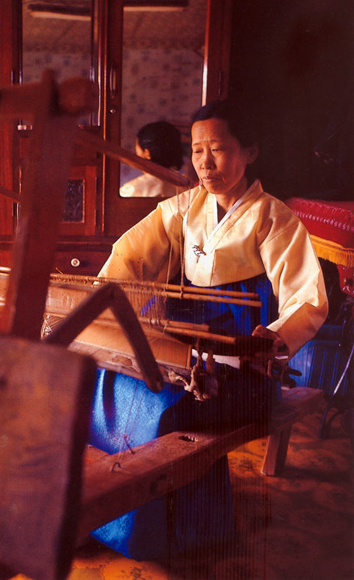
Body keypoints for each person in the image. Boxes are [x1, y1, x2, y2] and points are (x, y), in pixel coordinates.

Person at [89, 99, 329, 559]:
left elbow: (306, 296)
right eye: (197, 150)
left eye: (217, 149)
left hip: (243, 369)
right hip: (185, 353)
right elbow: (129, 256)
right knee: (109, 380)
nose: (205, 162)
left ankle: (182, 534)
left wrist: (274, 338)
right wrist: (97, 303)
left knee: (170, 405)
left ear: (250, 151)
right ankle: (107, 520)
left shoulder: (273, 217)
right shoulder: (182, 210)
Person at [119, 121, 187, 198]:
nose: (136, 154)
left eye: (137, 150)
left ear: (147, 153)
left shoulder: (132, 189)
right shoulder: (188, 185)